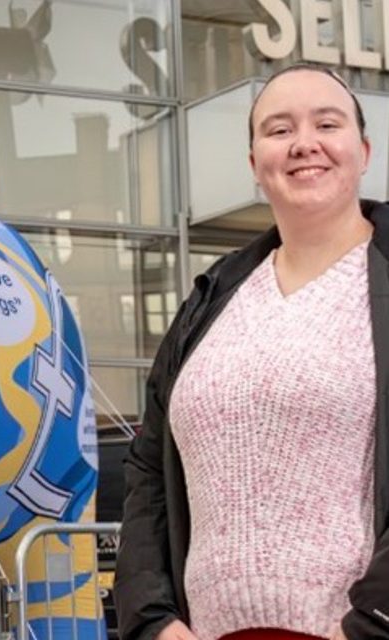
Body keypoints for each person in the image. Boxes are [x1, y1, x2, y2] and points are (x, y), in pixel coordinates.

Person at [114, 63, 389, 640]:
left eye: (327, 124)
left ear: (363, 150)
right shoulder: (210, 301)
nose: (304, 144)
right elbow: (148, 470)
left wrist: (369, 627)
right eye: (279, 129)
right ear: (254, 165)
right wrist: (153, 621)